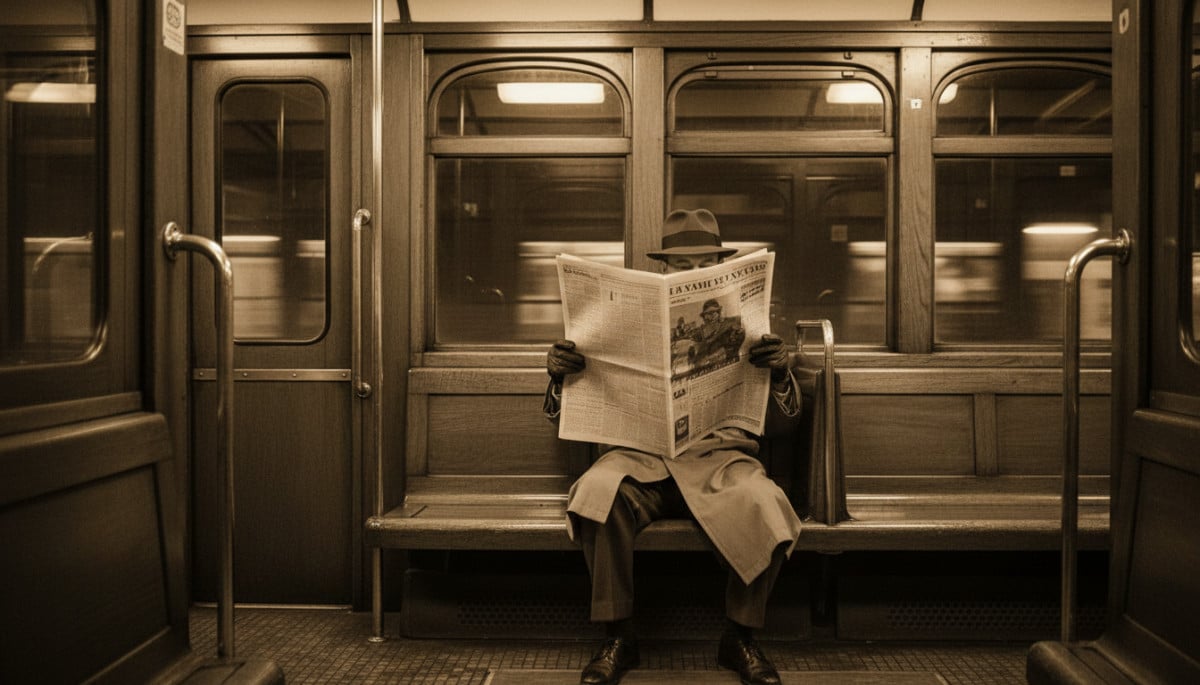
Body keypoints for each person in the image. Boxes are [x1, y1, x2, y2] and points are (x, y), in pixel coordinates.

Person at [544, 208, 802, 685]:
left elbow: (786, 422)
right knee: (598, 492)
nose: (694, 275)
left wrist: (781, 371)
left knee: (768, 504)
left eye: (705, 266)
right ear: (663, 271)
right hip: (643, 458)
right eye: (682, 267)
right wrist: (560, 374)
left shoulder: (753, 324)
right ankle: (618, 633)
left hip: (720, 459)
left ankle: (740, 636)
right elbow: (570, 413)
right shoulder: (621, 318)